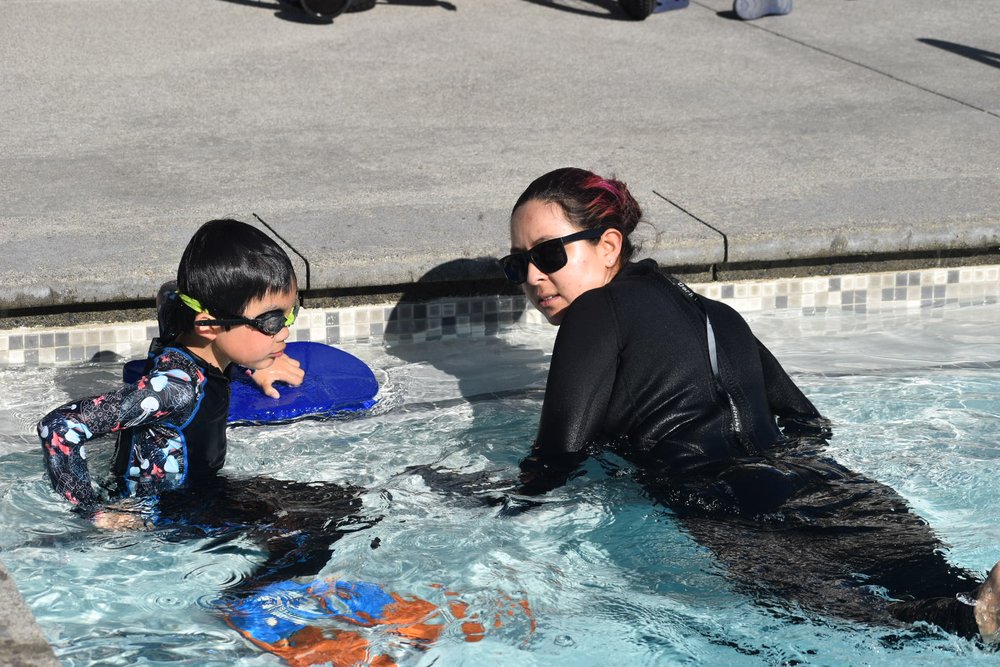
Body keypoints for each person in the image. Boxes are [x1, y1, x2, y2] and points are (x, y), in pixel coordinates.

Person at [500, 167, 1000, 643]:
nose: (532, 277)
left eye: (547, 255)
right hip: (828, 482)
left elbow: (559, 455)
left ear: (609, 246)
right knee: (960, 591)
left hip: (726, 498)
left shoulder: (593, 312)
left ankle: (957, 618)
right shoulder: (714, 311)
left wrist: (497, 508)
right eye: (516, 264)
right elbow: (806, 421)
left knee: (839, 620)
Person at [36, 219, 500, 665]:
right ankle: (246, 600)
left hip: (196, 488)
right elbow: (60, 428)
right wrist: (93, 511)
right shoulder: (174, 388)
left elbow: (171, 299)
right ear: (209, 324)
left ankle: (297, 590)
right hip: (170, 505)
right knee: (316, 526)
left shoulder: (188, 332)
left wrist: (257, 363)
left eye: (290, 314)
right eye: (271, 322)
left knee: (334, 504)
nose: (285, 332)